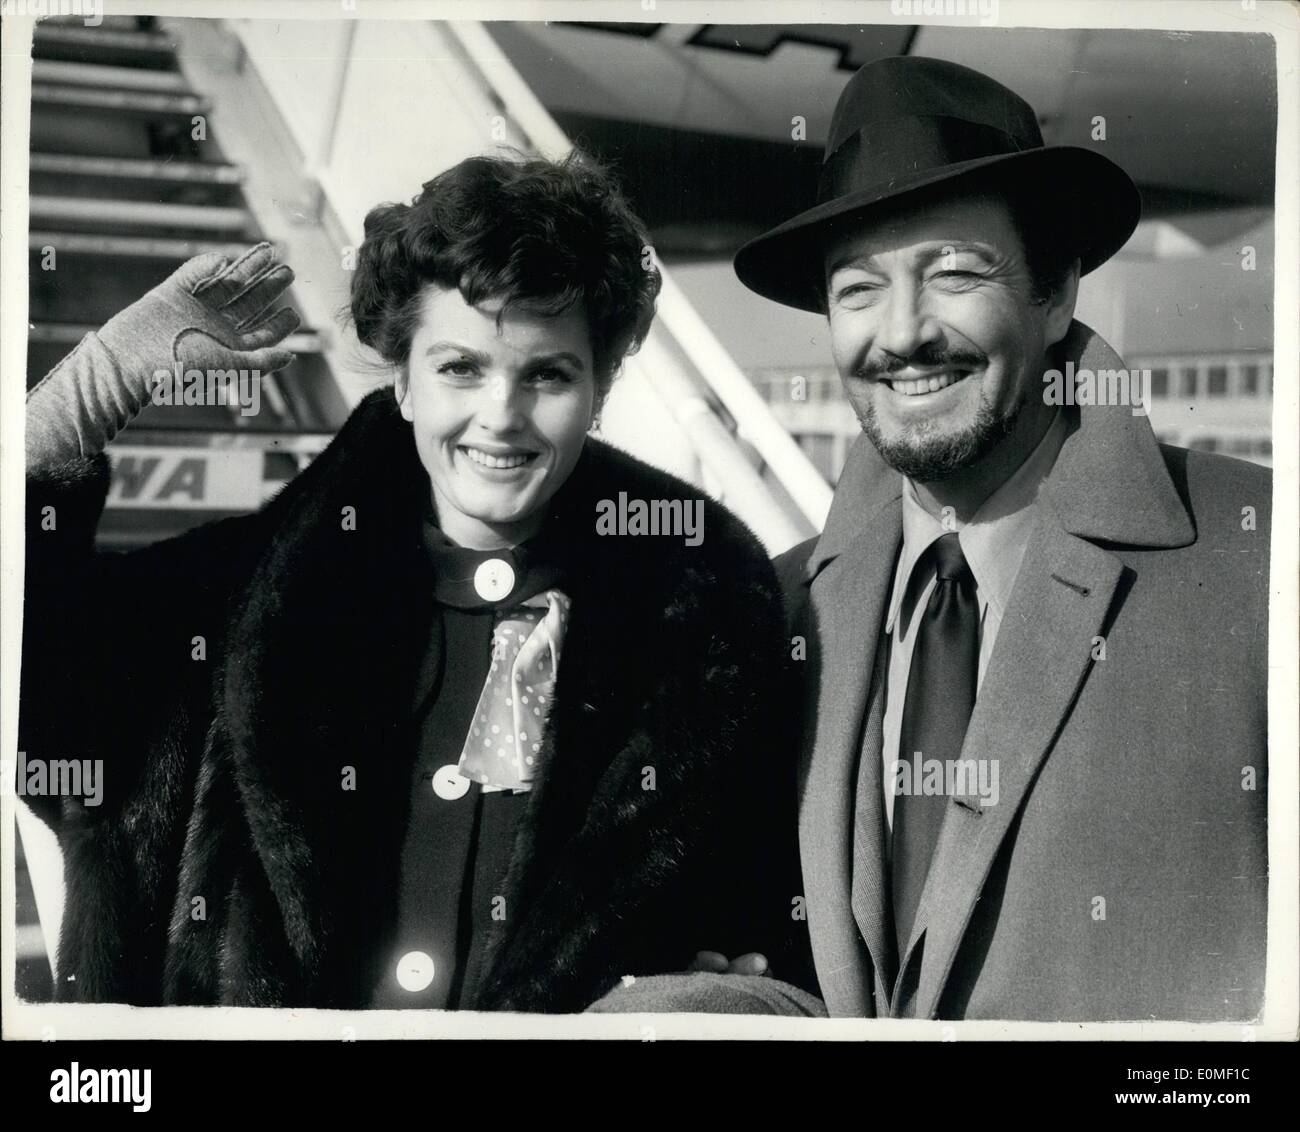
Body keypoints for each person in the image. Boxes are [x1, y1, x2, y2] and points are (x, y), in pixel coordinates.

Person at [20, 151, 804, 1012]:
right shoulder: (240, 595)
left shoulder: (703, 617)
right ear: (402, 377)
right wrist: (82, 402)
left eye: (547, 373)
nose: (500, 415)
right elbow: (36, 694)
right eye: (459, 368)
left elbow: (755, 910)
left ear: (602, 384)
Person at [731, 55, 1270, 1021]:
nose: (902, 334)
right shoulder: (773, 616)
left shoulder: (1264, 561)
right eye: (857, 291)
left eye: (954, 274)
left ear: (1057, 294)